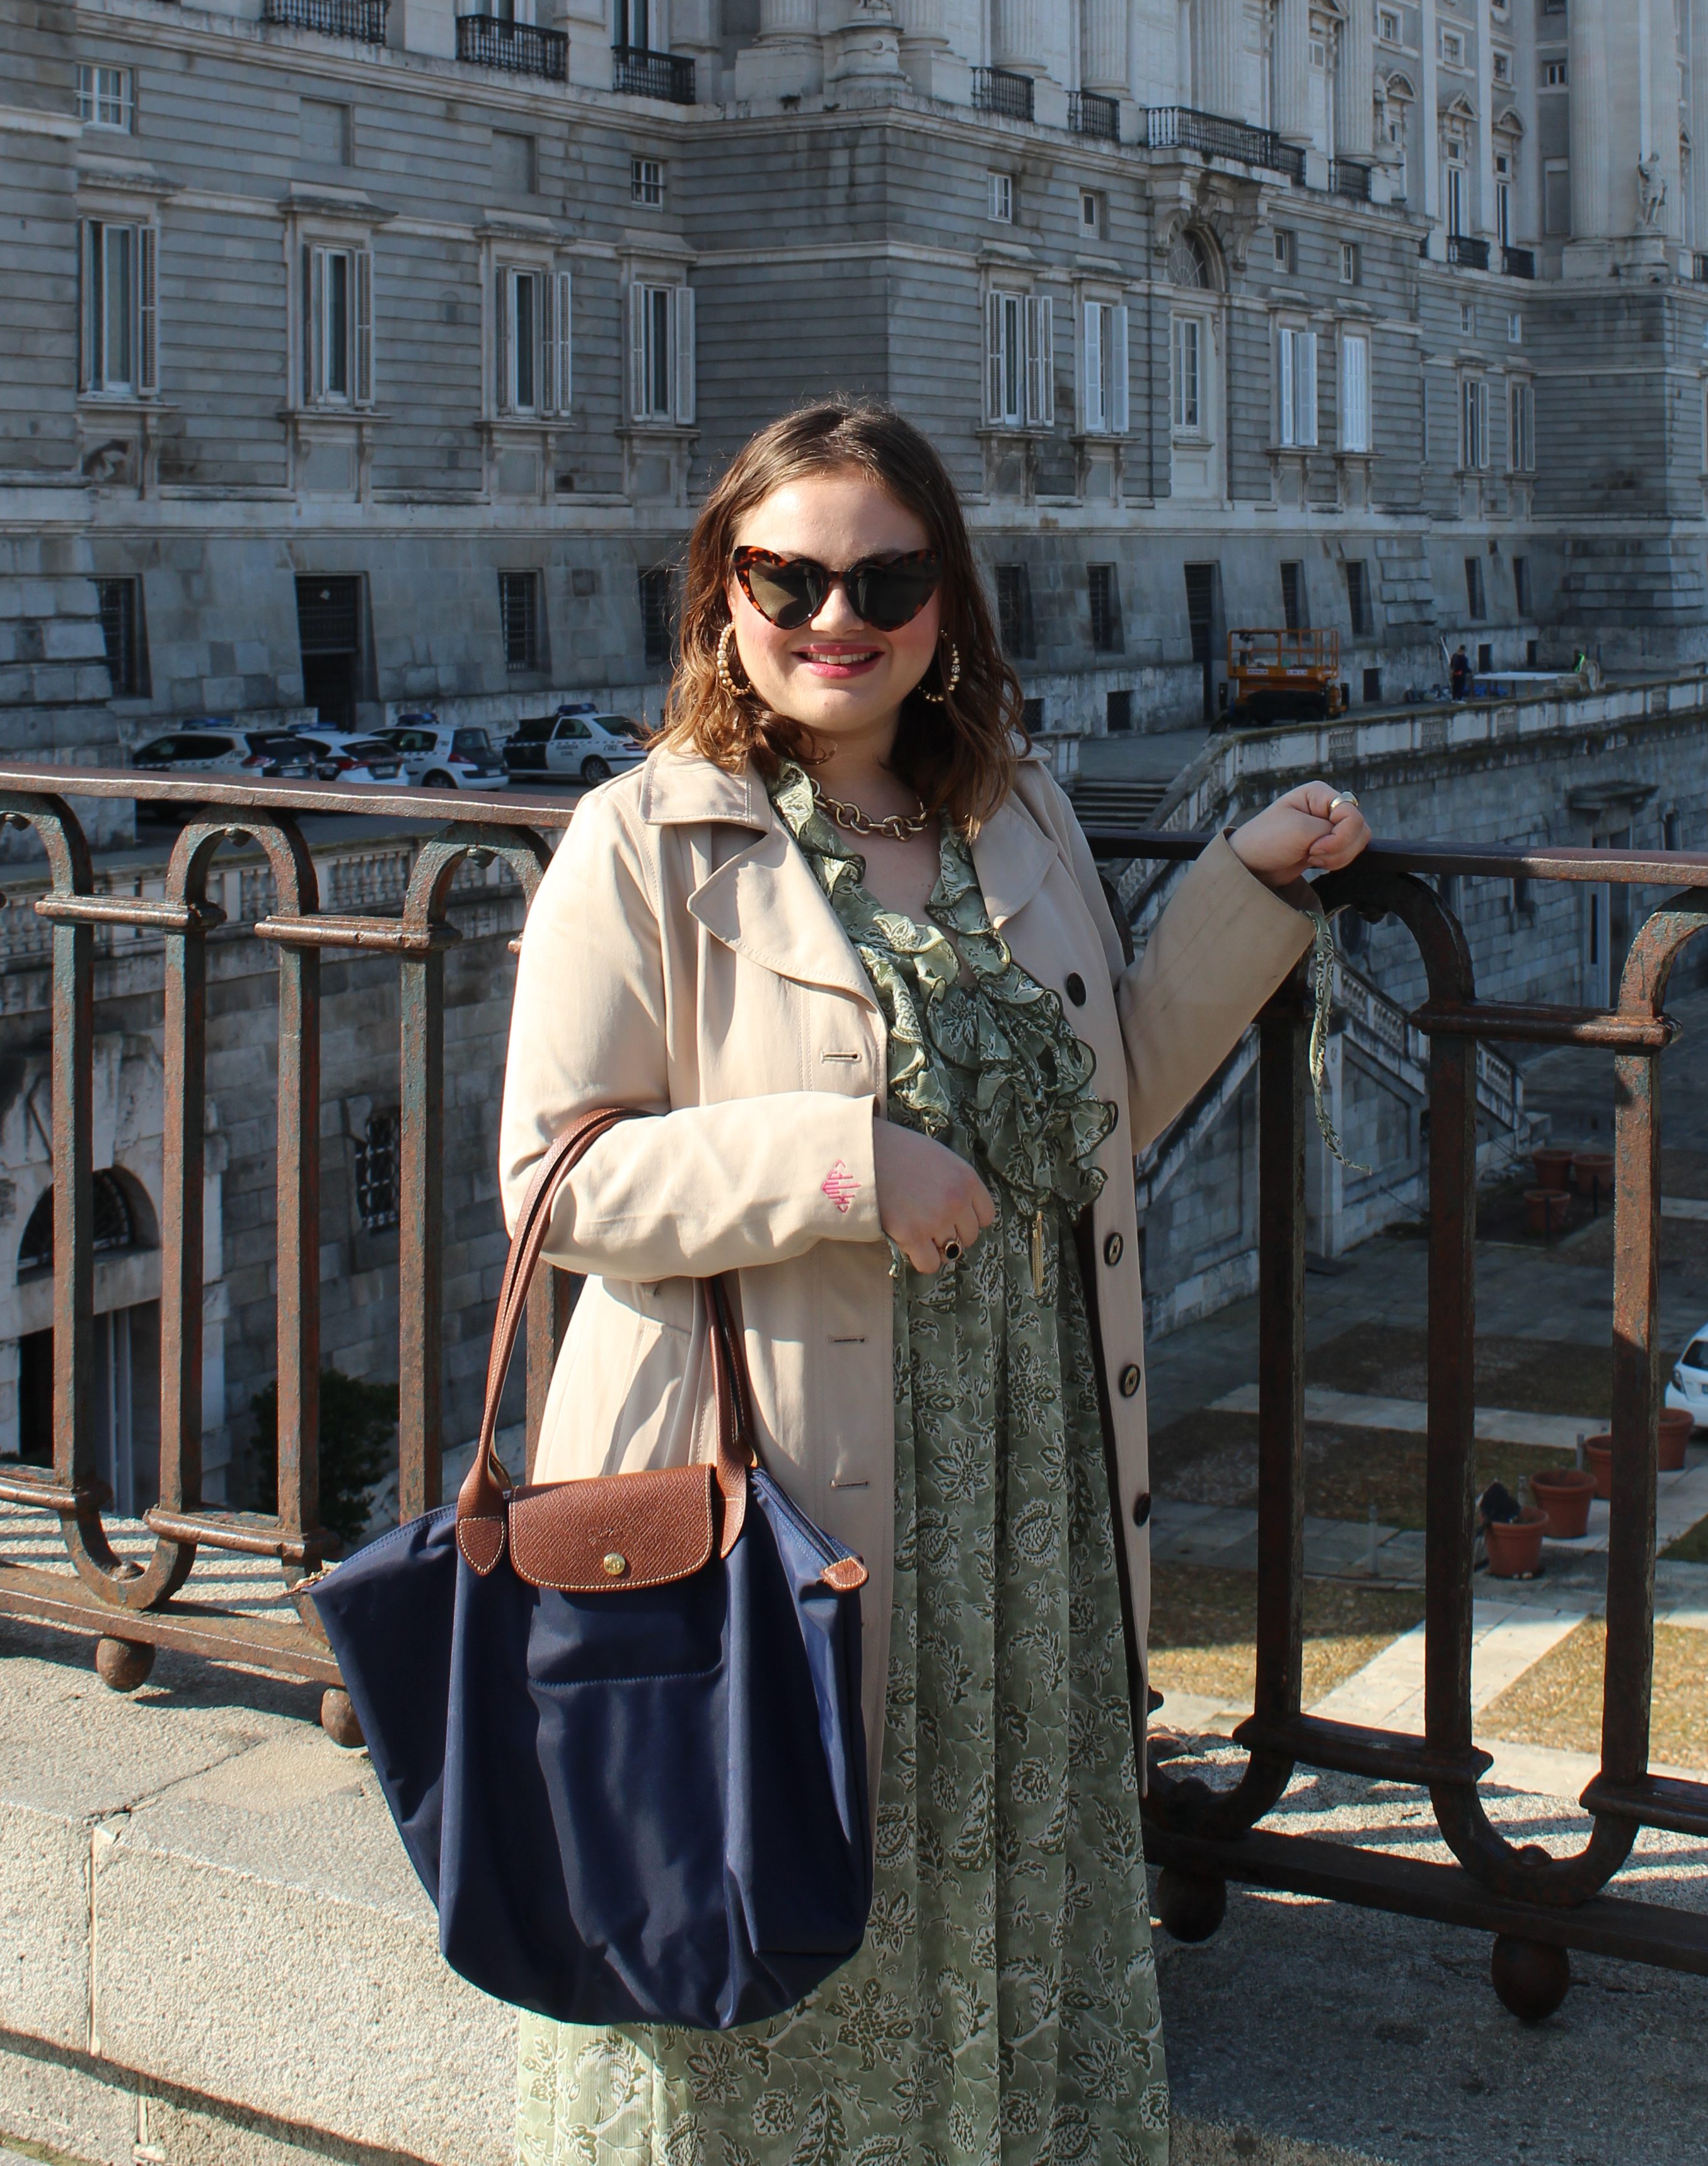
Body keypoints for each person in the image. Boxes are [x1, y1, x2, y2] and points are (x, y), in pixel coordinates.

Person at [504, 398, 1366, 2166]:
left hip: (1017, 1489)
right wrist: (840, 1166)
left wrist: (1246, 887)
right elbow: (559, 1180)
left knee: (993, 1889)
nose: (837, 618)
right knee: (786, 1895)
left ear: (948, 603)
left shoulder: (1019, 813)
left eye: (885, 576)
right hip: (783, 1494)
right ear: (722, 596)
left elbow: (1099, 1091)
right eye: (789, 576)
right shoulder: (644, 839)